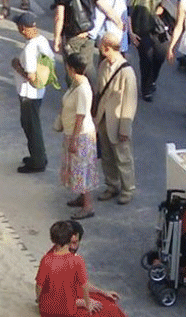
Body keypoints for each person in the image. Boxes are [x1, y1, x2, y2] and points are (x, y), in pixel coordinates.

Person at [36, 219, 88, 317]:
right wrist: (87, 303)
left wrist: (40, 300)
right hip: (67, 306)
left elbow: (39, 284)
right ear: (70, 239)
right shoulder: (77, 261)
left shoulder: (47, 259)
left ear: (53, 240)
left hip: (49, 305)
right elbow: (84, 285)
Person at [93, 26, 138, 205]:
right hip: (104, 118)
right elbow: (99, 91)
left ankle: (128, 189)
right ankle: (112, 184)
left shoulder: (127, 72)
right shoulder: (103, 65)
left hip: (118, 120)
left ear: (107, 48)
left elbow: (130, 102)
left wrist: (125, 128)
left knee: (123, 157)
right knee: (107, 155)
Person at [11, 11, 57, 174]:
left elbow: (30, 76)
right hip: (39, 92)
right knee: (32, 125)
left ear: (23, 28)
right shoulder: (42, 40)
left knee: (31, 127)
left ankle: (37, 161)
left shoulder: (30, 48)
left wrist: (17, 66)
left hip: (28, 94)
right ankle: (38, 156)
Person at [58, 52, 98, 218]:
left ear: (71, 68)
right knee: (78, 168)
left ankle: (87, 206)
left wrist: (73, 140)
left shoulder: (81, 89)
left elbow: (80, 116)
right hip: (75, 133)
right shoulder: (78, 83)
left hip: (80, 135)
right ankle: (82, 198)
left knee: (82, 169)